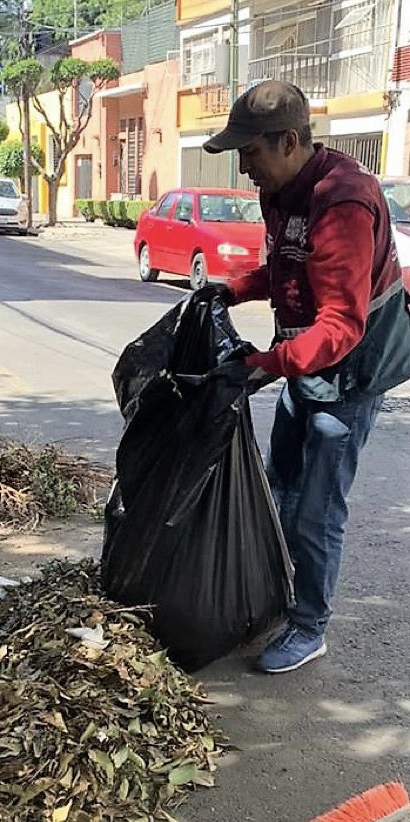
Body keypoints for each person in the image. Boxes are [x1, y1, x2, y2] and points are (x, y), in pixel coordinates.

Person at [201, 81, 410, 673]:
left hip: (349, 375)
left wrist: (264, 366)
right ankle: (280, 597)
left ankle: (309, 625)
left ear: (288, 141)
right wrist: (234, 289)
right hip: (304, 361)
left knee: (317, 508)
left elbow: (341, 325)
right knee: (281, 487)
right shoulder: (283, 189)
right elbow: (286, 267)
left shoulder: (344, 201)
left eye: (251, 153)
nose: (244, 168)